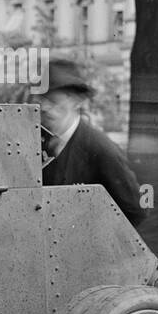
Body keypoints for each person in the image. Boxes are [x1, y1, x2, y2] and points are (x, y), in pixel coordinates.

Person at [40, 59, 145, 227]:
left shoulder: (101, 149)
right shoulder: (38, 144)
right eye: (42, 99)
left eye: (53, 100)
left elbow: (134, 210)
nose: (44, 107)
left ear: (76, 101)